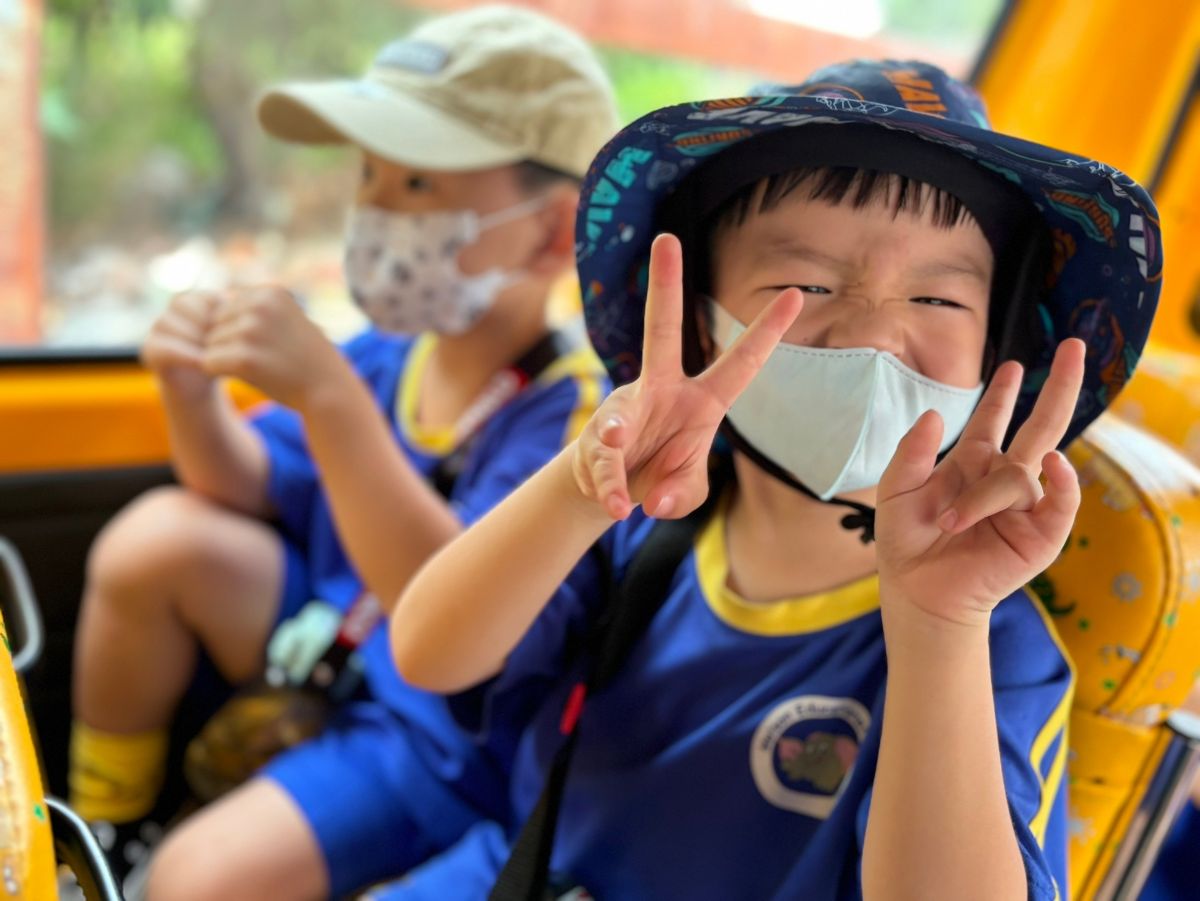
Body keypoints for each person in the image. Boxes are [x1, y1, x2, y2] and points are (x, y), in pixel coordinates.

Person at [387, 60, 1164, 899]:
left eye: (939, 300)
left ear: (998, 345)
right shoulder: (637, 527)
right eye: (805, 285)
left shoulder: (988, 642)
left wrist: (939, 624)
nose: (875, 335)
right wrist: (579, 489)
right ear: (699, 325)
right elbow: (430, 654)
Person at [68, 6, 617, 899]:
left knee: (189, 881)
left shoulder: (573, 419)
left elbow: (452, 623)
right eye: (369, 174)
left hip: (435, 737)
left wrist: (329, 400)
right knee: (155, 538)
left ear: (555, 232)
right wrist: (189, 390)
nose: (374, 210)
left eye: (417, 184)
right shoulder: (387, 355)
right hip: (333, 644)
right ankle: (102, 830)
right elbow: (245, 483)